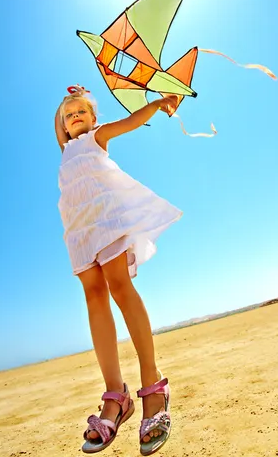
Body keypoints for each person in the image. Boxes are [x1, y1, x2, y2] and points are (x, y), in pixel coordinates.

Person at [54, 85, 182, 455]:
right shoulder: (65, 150)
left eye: (82, 110)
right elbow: (59, 121)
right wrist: (66, 102)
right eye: (68, 114)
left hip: (106, 219)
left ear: (94, 118)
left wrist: (156, 104)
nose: (75, 116)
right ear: (61, 126)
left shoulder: (97, 136)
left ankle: (152, 384)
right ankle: (116, 395)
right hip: (77, 225)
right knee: (94, 297)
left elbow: (130, 121)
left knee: (119, 287)